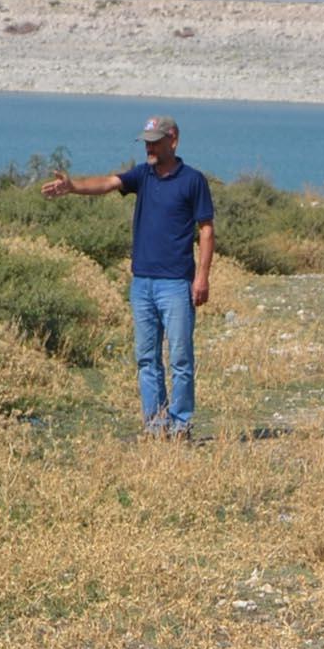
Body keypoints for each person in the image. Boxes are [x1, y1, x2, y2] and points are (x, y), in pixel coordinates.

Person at [45, 115, 215, 436]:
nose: (149, 147)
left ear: (173, 140)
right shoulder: (143, 175)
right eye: (146, 142)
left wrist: (201, 278)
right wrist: (73, 187)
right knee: (147, 359)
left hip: (177, 284)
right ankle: (155, 425)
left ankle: (180, 426)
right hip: (142, 284)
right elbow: (109, 183)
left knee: (180, 359)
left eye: (155, 141)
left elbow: (206, 231)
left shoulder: (193, 181)